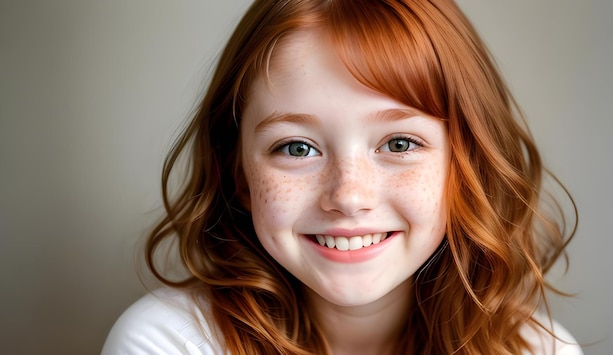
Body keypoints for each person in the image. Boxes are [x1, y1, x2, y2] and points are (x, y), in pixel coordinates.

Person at [102, 0, 582, 354]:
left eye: (398, 144)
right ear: (240, 176)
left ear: (466, 166)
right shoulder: (168, 342)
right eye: (297, 148)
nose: (349, 197)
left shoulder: (543, 350)